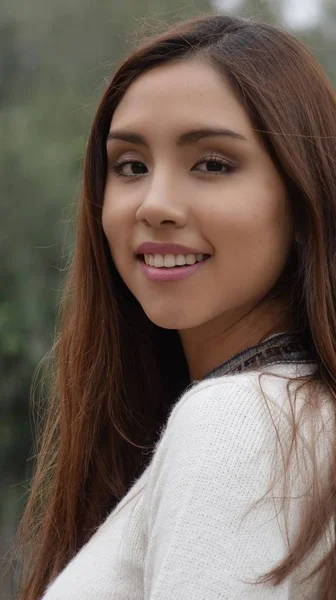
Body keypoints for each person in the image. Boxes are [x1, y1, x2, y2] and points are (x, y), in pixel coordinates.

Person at [15, 12, 336, 600]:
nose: (155, 205)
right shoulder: (296, 416)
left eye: (212, 164)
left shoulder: (240, 421)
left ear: (302, 196)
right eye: (130, 167)